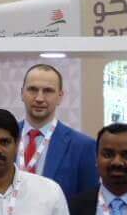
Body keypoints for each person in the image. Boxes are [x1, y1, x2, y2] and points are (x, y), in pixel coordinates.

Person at [19, 64, 99, 199]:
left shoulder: (83, 146)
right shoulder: (3, 139)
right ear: (22, 93)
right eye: (32, 89)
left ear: (60, 96)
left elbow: (88, 201)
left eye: (48, 91)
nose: (39, 98)